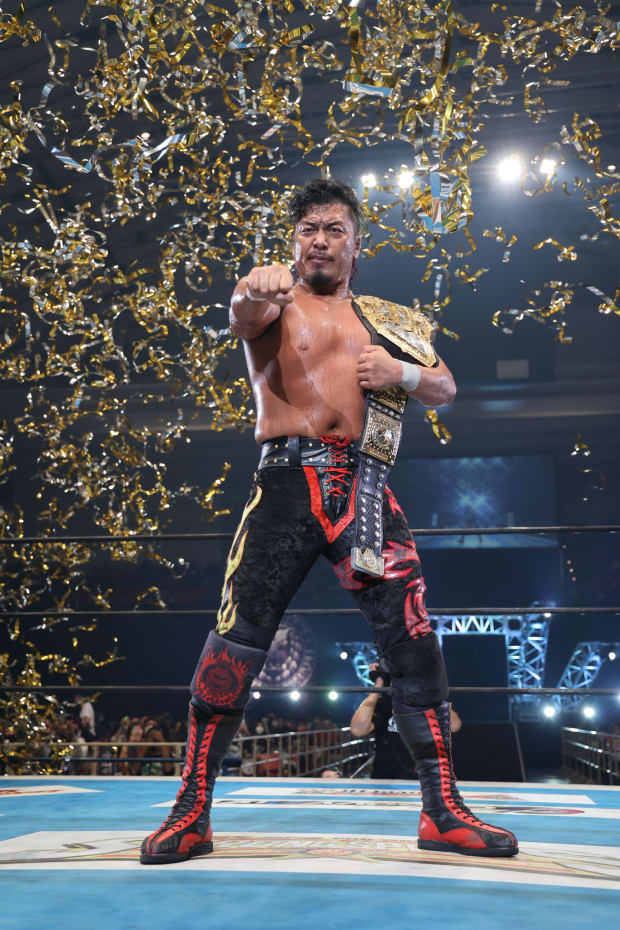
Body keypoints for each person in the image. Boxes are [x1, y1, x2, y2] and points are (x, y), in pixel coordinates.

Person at [141, 178, 518, 864]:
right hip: (285, 485)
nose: (319, 240)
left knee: (415, 644)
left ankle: (442, 812)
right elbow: (242, 315)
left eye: (333, 229)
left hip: (365, 489)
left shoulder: (387, 320)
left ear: (356, 244)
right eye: (308, 228)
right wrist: (254, 287)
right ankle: (190, 812)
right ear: (294, 241)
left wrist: (400, 374)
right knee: (235, 643)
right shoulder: (273, 299)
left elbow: (446, 386)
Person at [350, 662, 462, 780]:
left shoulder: (428, 703)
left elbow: (454, 726)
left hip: (421, 780)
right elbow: (357, 729)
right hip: (385, 779)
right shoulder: (383, 704)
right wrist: (378, 687)